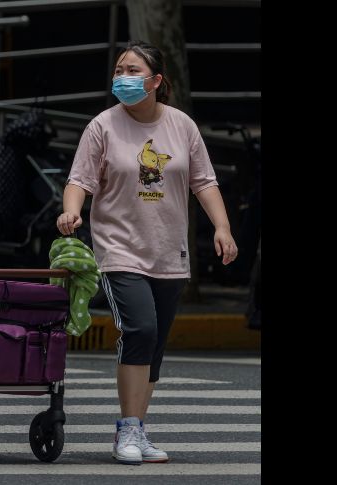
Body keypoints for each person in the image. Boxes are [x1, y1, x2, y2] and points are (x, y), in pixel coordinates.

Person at [55, 40, 238, 465]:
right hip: (120, 250)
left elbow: (204, 182)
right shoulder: (102, 126)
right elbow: (79, 180)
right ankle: (127, 430)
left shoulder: (182, 126)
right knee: (139, 330)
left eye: (132, 70)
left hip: (168, 252)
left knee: (154, 343)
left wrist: (223, 228)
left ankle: (138, 426)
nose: (123, 77)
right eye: (119, 69)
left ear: (155, 81)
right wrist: (71, 212)